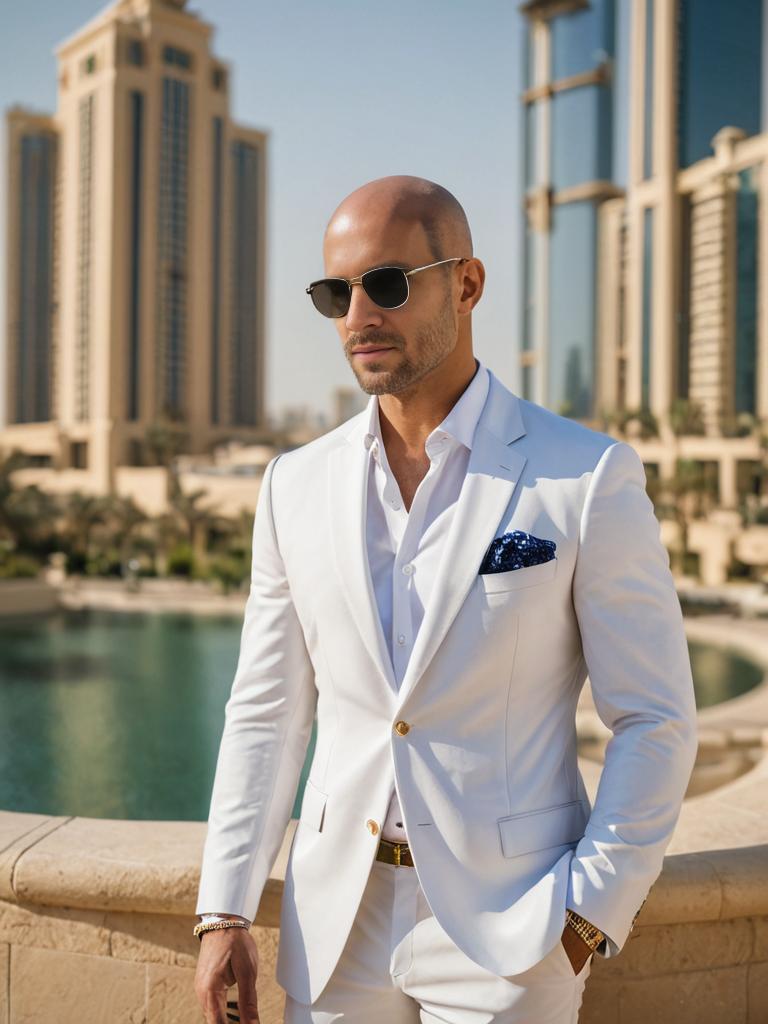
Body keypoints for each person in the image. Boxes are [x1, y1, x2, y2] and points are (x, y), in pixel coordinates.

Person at [193, 175, 698, 1024]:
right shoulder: (293, 484)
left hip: (512, 934)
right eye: (335, 293)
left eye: (387, 284)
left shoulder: (585, 475)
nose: (358, 316)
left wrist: (588, 914)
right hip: (334, 929)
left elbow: (655, 717)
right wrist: (225, 908)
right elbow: (267, 711)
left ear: (466, 283)